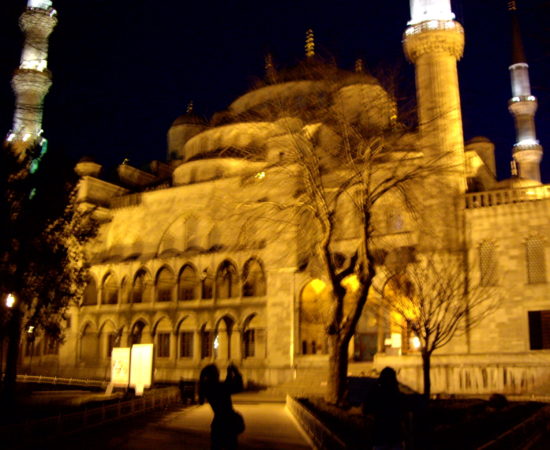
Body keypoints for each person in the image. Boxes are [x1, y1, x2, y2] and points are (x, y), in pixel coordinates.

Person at [199, 364, 245, 450]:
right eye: (217, 372)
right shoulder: (218, 387)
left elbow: (226, 386)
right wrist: (236, 372)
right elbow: (238, 387)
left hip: (218, 424)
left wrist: (229, 375)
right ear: (215, 375)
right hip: (227, 424)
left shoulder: (207, 387)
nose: (219, 373)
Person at [363, 367, 406, 450]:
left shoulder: (376, 393)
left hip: (380, 435)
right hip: (394, 435)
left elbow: (366, 409)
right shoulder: (396, 394)